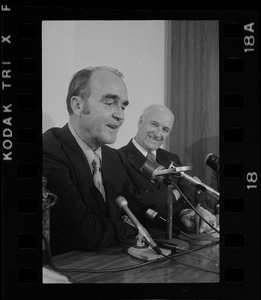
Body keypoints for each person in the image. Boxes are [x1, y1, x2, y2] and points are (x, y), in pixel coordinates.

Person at [43, 66, 147, 255]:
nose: (121, 115)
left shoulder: (114, 157)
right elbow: (83, 232)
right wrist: (129, 229)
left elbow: (137, 211)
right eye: (110, 102)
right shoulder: (48, 149)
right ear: (77, 106)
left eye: (123, 106)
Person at [118, 104, 217, 233]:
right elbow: (135, 203)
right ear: (140, 121)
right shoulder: (119, 157)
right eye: (154, 124)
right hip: (141, 237)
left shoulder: (172, 158)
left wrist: (187, 212)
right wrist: (174, 195)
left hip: (178, 232)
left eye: (165, 129)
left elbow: (190, 196)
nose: (158, 134)